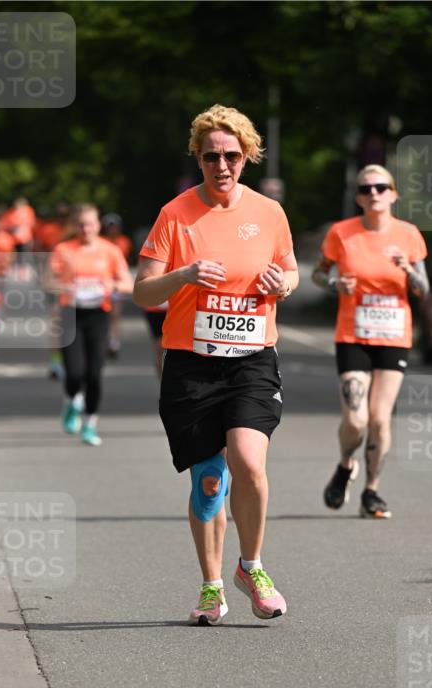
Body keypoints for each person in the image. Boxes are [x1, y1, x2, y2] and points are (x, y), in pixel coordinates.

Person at [133, 104, 298, 625]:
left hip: (251, 359)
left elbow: (290, 269)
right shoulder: (174, 214)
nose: (221, 165)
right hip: (191, 364)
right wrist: (182, 275)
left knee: (249, 461)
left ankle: (251, 566)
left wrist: (284, 285)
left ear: (246, 155)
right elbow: (141, 291)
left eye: (230, 155)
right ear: (197, 158)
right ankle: (211, 586)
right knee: (208, 481)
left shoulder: (269, 213)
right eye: (210, 156)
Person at [312, 164, 429, 518]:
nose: (373, 194)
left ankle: (371, 491)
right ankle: (347, 464)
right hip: (353, 335)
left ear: (393, 194)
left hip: (394, 336)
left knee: (380, 419)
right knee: (356, 419)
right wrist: (335, 285)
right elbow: (319, 274)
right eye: (366, 189)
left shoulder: (409, 235)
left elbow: (423, 290)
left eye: (381, 187)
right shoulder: (341, 233)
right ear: (359, 197)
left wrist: (407, 271)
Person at [48, 203, 132, 445]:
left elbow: (126, 283)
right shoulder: (63, 249)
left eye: (91, 224)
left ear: (98, 225)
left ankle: (90, 424)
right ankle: (71, 400)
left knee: (94, 374)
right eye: (82, 224)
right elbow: (49, 281)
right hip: (70, 314)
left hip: (98, 314)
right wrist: (66, 287)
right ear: (75, 226)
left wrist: (111, 287)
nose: (86, 228)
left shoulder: (110, 251)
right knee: (74, 372)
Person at [100, 213, 133, 359]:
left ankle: (114, 341)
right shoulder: (101, 242)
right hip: (104, 282)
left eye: (114, 227)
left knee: (115, 315)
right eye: (109, 227)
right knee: (104, 315)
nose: (112, 230)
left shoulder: (124, 241)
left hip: (117, 282)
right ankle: (104, 340)